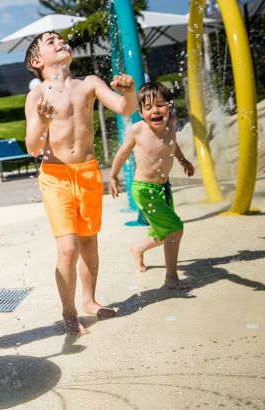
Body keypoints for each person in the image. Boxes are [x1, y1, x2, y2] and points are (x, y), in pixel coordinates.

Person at [24, 31, 138, 336]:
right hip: (56, 177)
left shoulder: (89, 83)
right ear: (37, 61)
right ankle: (69, 310)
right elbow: (32, 147)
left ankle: (89, 300)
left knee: (89, 242)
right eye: (51, 42)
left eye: (61, 38)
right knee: (68, 248)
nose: (60, 42)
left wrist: (128, 92)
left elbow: (126, 109)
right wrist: (44, 122)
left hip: (87, 174)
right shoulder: (38, 96)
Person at [109, 82, 194, 290]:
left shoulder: (171, 124)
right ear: (140, 111)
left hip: (163, 187)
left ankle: (138, 248)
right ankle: (171, 277)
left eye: (160, 105)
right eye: (148, 107)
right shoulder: (137, 131)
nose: (155, 110)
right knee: (175, 228)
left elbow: (173, 144)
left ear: (169, 107)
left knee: (164, 231)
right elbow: (122, 154)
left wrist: (184, 161)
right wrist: (113, 176)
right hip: (144, 190)